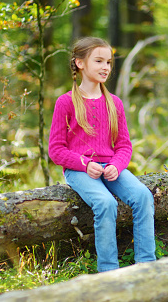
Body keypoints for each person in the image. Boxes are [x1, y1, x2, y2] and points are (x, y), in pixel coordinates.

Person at [48, 37, 156, 272]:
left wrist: (117, 165)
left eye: (108, 62)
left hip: (111, 168)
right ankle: (108, 272)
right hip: (79, 170)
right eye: (98, 61)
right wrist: (84, 164)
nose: (105, 67)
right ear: (80, 63)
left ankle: (147, 266)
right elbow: (56, 150)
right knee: (105, 203)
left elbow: (124, 145)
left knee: (143, 196)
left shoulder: (114, 103)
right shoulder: (65, 102)